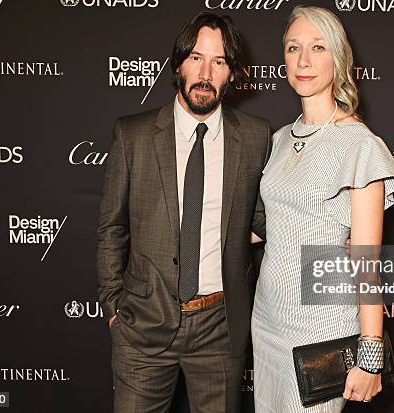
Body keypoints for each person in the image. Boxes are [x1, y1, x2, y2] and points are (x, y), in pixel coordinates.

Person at [97, 12, 271, 413]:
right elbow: (111, 228)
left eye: (219, 62)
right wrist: (113, 308)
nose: (205, 72)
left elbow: (266, 218)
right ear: (178, 64)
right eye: (196, 58)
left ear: (232, 74)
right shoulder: (133, 134)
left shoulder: (256, 136)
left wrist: (336, 226)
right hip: (142, 325)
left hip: (220, 327)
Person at [251, 5, 394, 412]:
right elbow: (273, 225)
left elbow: (366, 259)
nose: (303, 60)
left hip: (320, 330)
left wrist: (370, 355)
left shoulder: (358, 145)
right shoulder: (279, 139)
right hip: (266, 321)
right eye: (293, 48)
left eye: (317, 47)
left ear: (338, 59)